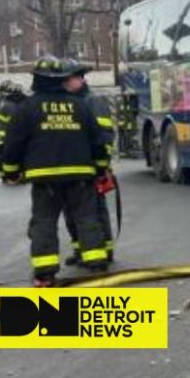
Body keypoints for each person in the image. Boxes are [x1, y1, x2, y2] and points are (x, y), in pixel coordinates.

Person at [1, 56, 110, 287]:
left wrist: (10, 172)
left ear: (36, 80)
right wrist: (101, 169)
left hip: (45, 179)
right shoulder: (80, 105)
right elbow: (98, 141)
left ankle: (45, 274)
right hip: (81, 175)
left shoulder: (27, 107)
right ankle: (97, 265)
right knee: (87, 218)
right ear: (60, 78)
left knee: (44, 222)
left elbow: (13, 143)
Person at [64, 77, 115, 266]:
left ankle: (104, 250)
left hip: (93, 166)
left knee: (95, 211)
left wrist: (102, 165)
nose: (65, 84)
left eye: (69, 80)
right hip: (74, 167)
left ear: (80, 80)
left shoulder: (94, 100)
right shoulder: (70, 102)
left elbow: (105, 135)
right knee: (72, 212)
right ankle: (80, 250)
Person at [0, 82, 27, 182]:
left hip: (7, 138)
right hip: (12, 137)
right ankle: (18, 175)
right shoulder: (19, 104)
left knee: (5, 157)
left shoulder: (7, 105)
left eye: (2, 93)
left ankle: (7, 176)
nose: (0, 95)